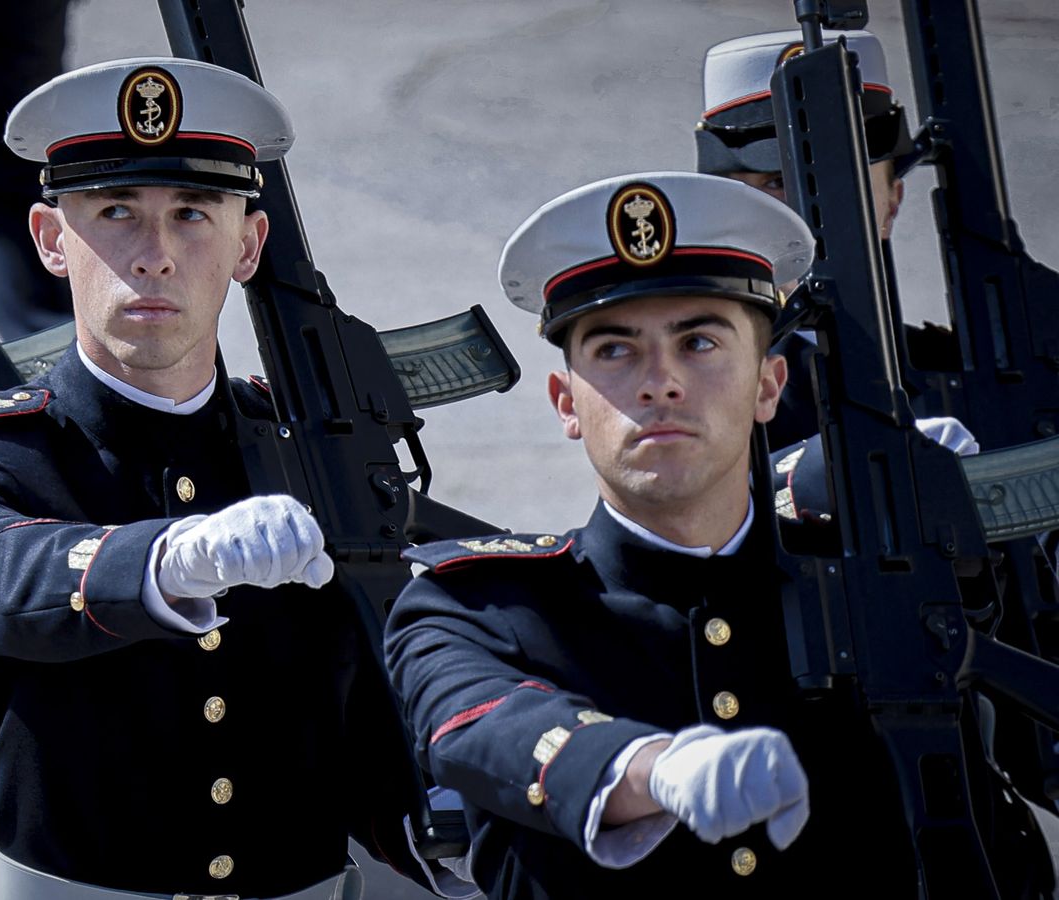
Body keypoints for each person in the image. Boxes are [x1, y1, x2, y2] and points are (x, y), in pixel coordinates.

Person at [382, 171, 1053, 898]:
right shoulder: (476, 610)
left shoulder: (883, 581)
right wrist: (645, 767)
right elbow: (479, 724)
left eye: (698, 342)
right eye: (614, 350)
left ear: (769, 386)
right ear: (564, 401)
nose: (659, 382)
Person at [0, 57, 427, 900]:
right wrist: (165, 563)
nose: (155, 255)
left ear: (248, 245)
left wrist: (439, 829)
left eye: (194, 215)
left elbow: (368, 703)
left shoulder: (316, 452)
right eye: (117, 214)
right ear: (51, 241)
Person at [693, 28, 958, 447]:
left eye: (835, 177)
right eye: (776, 181)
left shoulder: (965, 365)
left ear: (892, 201)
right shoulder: (701, 386)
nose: (803, 204)